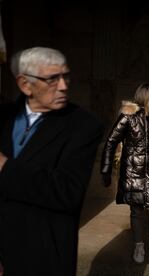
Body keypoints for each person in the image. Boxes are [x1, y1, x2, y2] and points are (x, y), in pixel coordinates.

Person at [0, 47, 103, 275]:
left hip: (44, 254)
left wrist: (5, 167)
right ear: (25, 85)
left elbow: (67, 192)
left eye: (65, 76)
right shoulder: (3, 118)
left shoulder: (83, 125)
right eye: (52, 79)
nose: (64, 86)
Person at [101, 83, 149, 264]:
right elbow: (111, 141)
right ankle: (138, 244)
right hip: (133, 172)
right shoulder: (128, 117)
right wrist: (106, 169)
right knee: (137, 210)